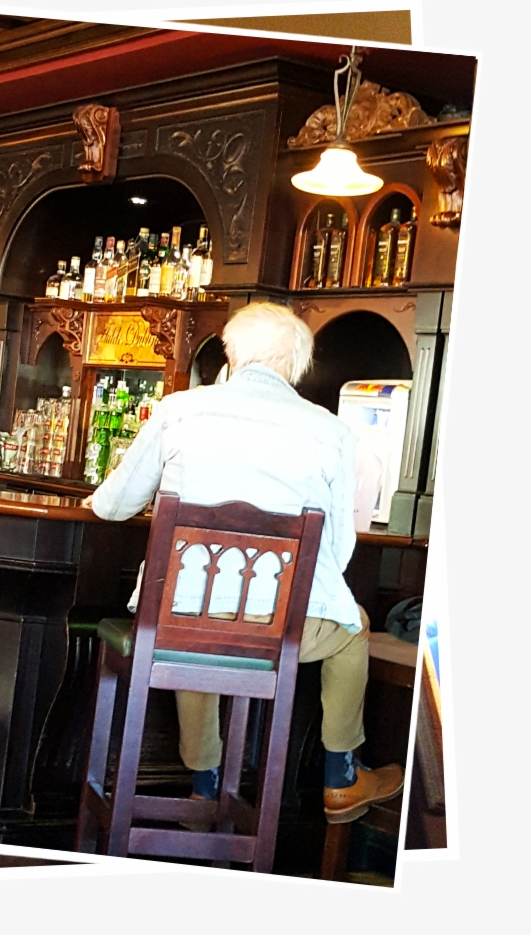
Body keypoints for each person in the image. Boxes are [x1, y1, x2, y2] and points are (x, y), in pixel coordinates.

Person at [83, 301, 404, 824]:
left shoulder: (178, 409)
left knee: (194, 607)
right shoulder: (329, 430)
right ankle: (341, 776)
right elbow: (338, 550)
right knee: (353, 627)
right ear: (298, 365)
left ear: (231, 354)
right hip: (279, 627)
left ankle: (205, 785)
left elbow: (113, 506)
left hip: (173, 625)